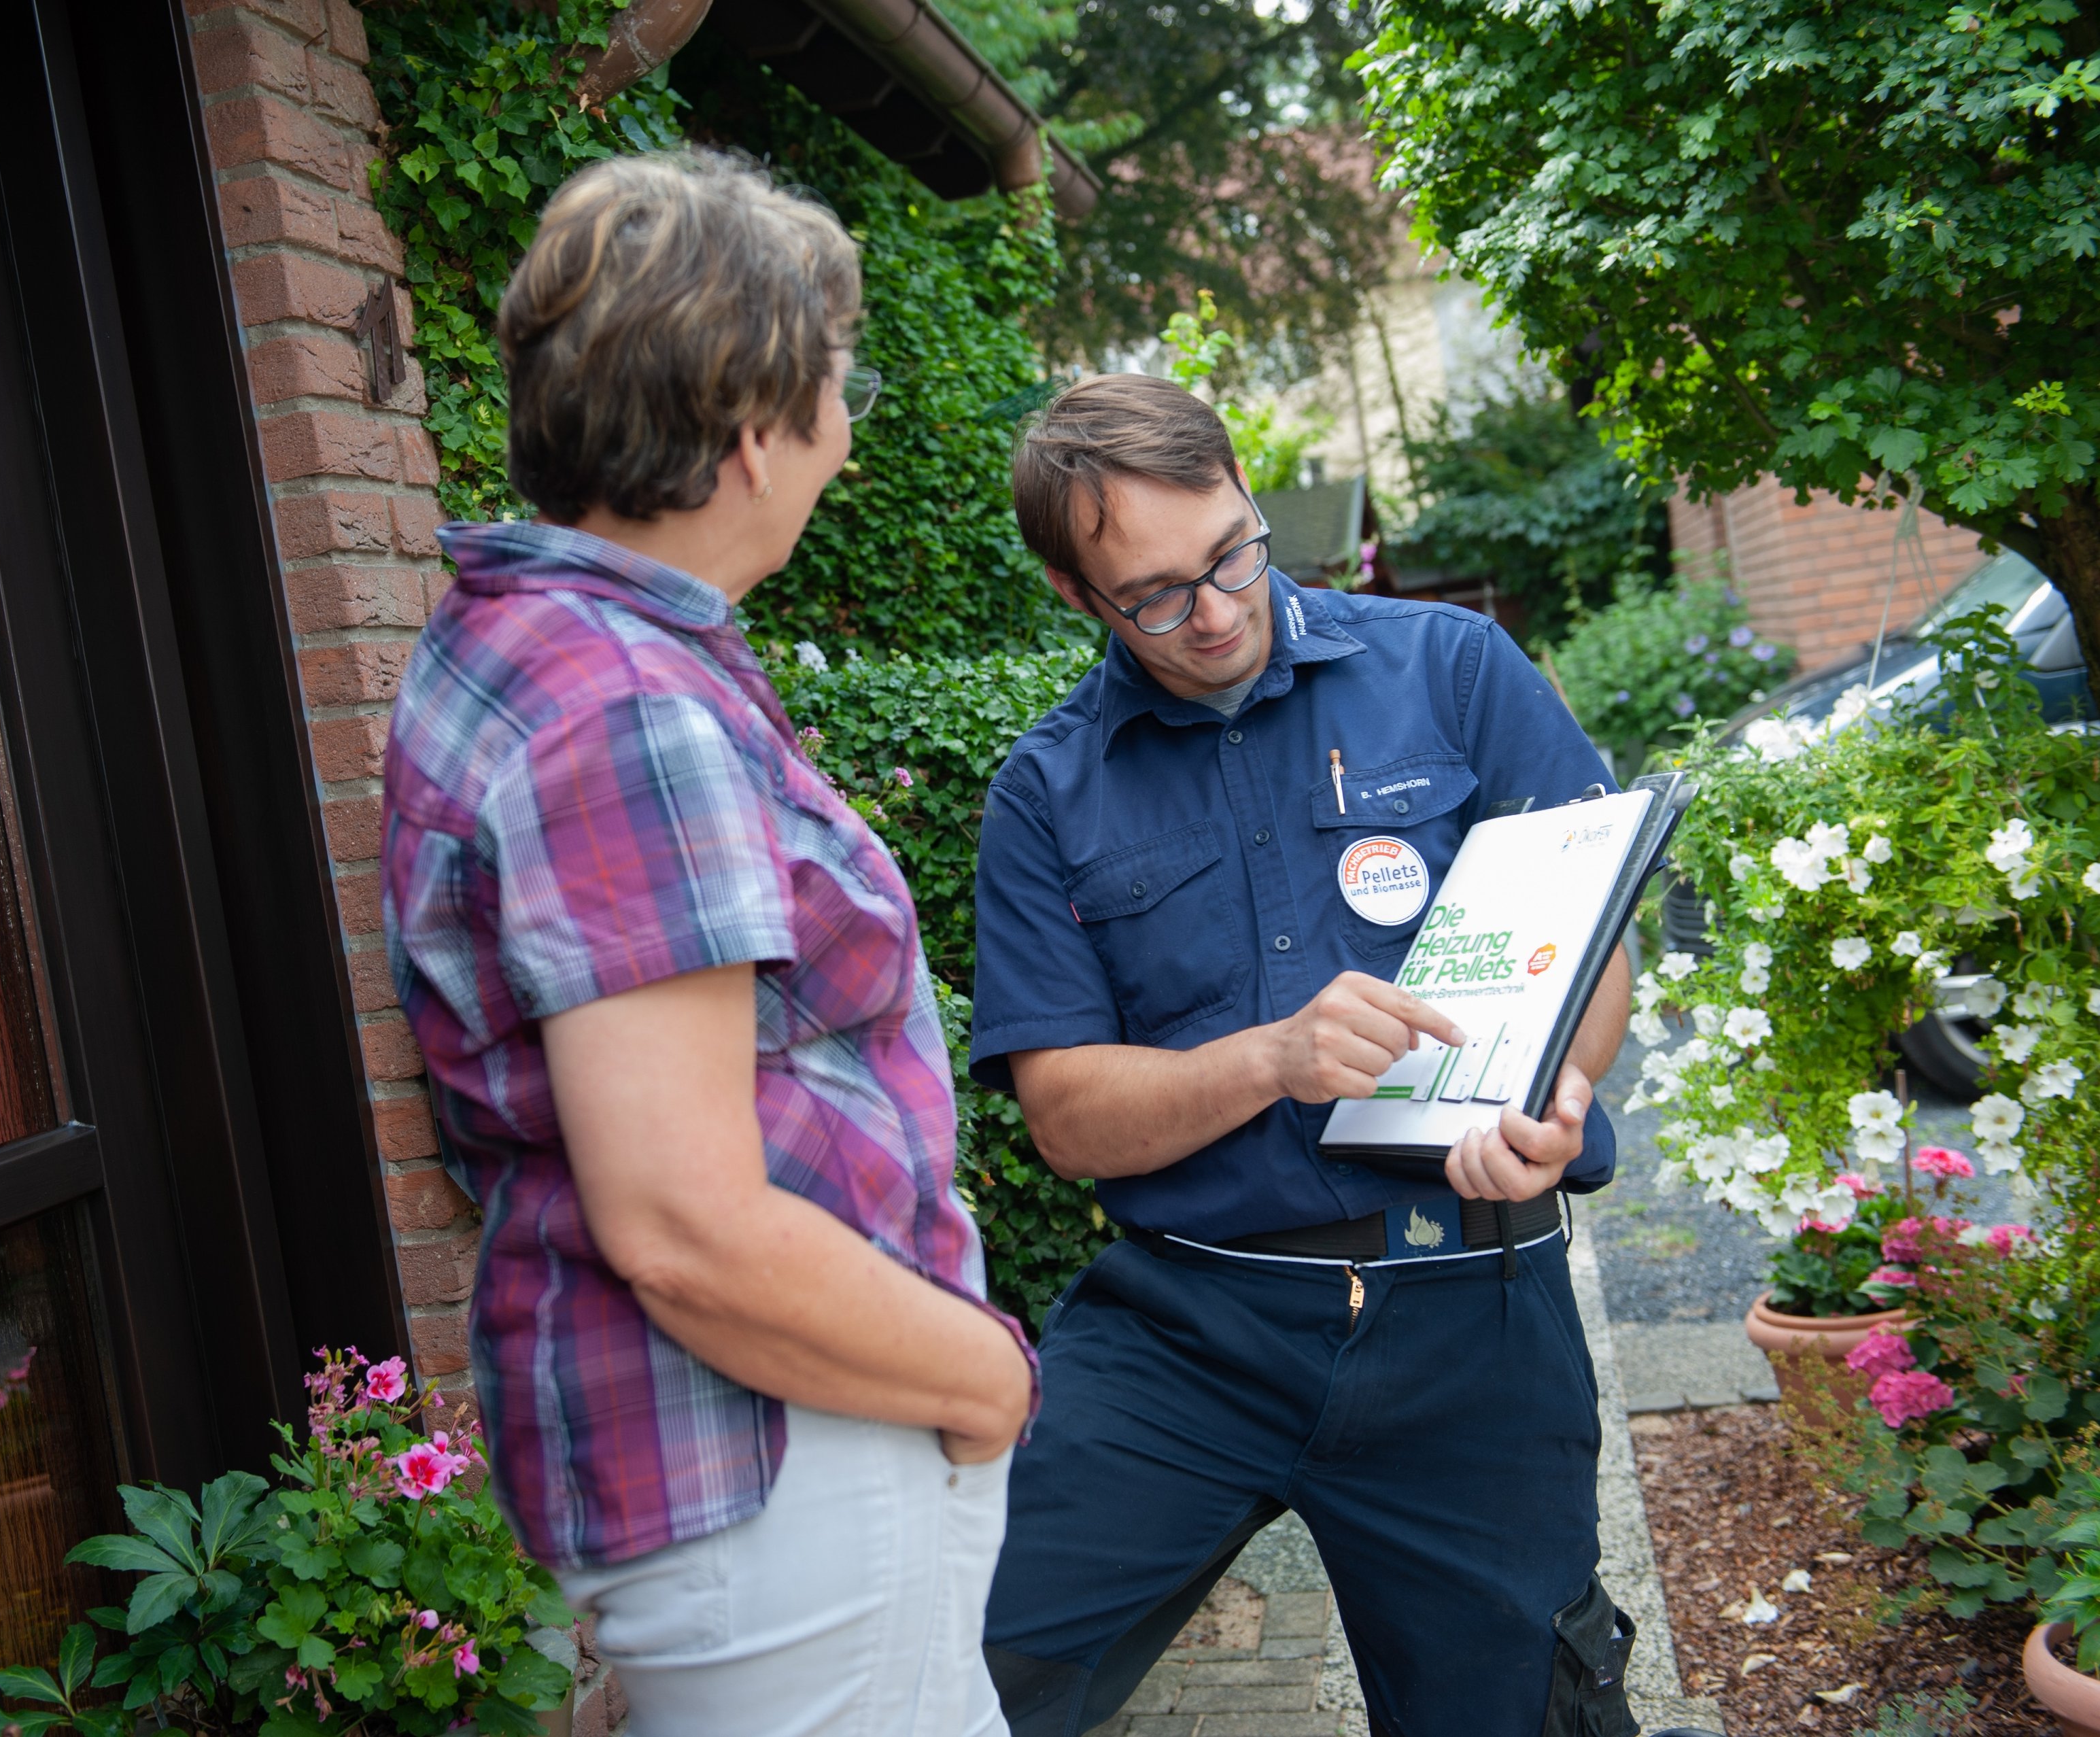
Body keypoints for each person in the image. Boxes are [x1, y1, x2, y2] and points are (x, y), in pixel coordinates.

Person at [379, 150, 1035, 1737]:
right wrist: (984, 1378)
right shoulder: (626, 710)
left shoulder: (550, 644)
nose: (850, 437)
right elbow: (684, 1222)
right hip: (789, 1455)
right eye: (835, 388)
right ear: (751, 435)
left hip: (769, 1455)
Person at [970, 375, 1693, 1737]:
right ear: (1079, 596)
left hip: (1472, 1302)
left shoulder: (1456, 672)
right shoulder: (1045, 791)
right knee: (965, 1675)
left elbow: (1597, 959)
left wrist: (1558, 1092)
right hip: (1190, 1327)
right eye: (1159, 597)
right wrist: (1272, 1059)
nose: (1223, 610)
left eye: (1233, 552)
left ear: (1248, 489)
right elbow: (1067, 1118)